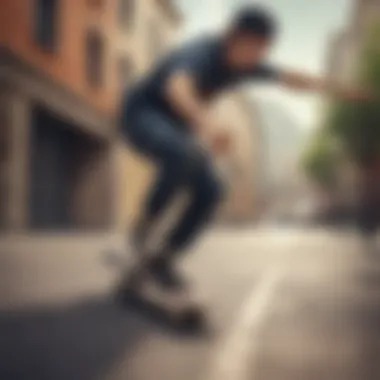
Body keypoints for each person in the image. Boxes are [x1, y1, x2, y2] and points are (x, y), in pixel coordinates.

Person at [120, 5, 370, 290]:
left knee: (212, 191)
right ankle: (145, 227)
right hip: (142, 114)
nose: (258, 57)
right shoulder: (202, 51)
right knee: (184, 153)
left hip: (176, 128)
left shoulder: (245, 65)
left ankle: (163, 259)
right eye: (255, 48)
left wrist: (346, 91)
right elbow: (176, 87)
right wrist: (207, 123)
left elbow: (295, 79)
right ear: (234, 36)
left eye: (264, 50)